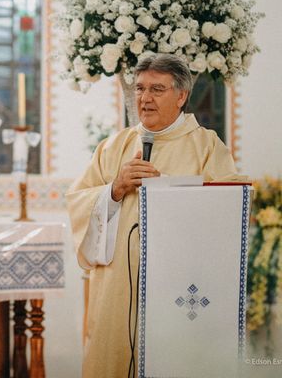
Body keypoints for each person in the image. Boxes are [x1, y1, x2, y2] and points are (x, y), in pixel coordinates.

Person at [66, 53, 239, 377]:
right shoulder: (113, 146)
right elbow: (77, 201)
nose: (145, 98)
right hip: (117, 288)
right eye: (140, 88)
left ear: (182, 96)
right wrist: (114, 189)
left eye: (157, 89)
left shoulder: (207, 147)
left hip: (179, 287)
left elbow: (226, 217)